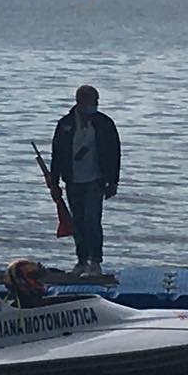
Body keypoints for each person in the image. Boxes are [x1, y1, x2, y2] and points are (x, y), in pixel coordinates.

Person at [49, 84, 120, 277]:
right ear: (80, 101)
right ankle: (81, 261)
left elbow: (114, 153)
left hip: (96, 179)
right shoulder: (65, 124)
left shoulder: (104, 123)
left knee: (92, 220)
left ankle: (95, 262)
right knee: (78, 222)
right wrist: (54, 183)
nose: (94, 105)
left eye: (96, 101)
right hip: (73, 180)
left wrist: (113, 182)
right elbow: (57, 154)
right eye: (91, 101)